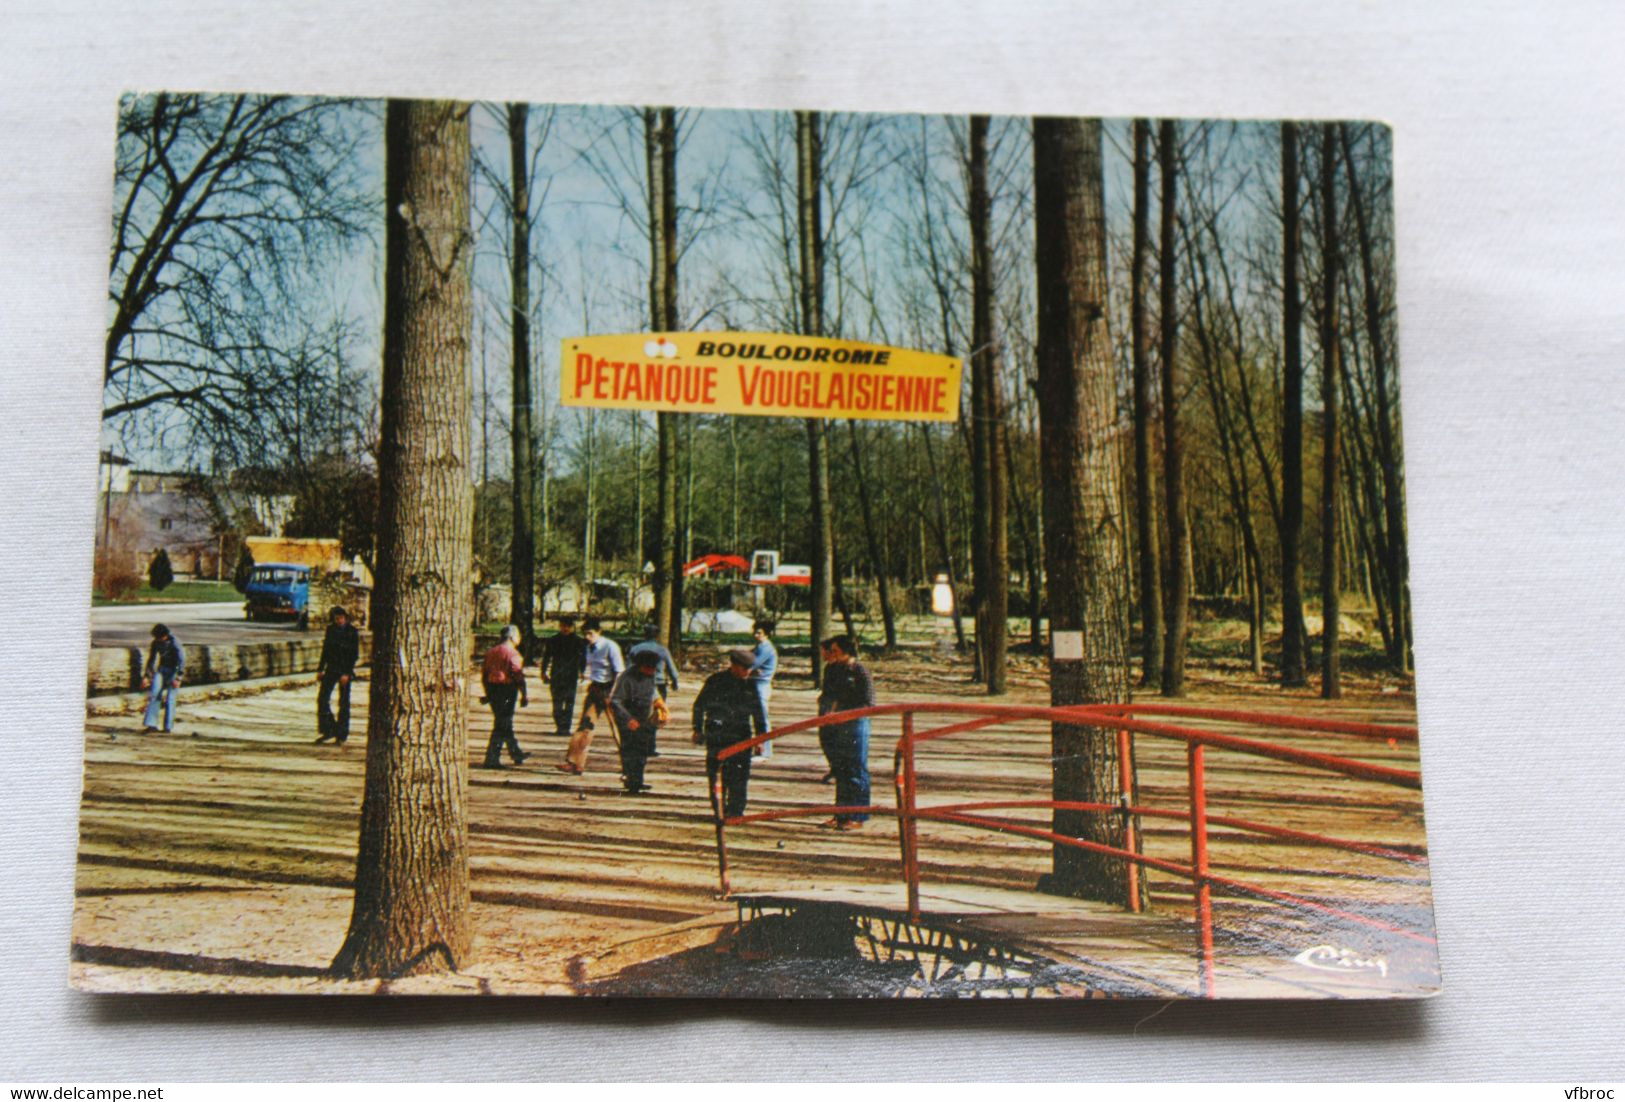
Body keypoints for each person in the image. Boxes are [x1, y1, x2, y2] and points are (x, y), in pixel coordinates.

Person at [692, 647, 769, 819]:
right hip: (717, 735)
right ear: (734, 665)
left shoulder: (751, 685)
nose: (748, 672)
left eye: (750, 669)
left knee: (740, 777)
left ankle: (736, 811)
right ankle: (719, 809)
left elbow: (758, 713)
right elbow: (699, 706)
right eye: (744, 669)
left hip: (741, 736)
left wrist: (760, 738)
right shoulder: (715, 681)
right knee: (716, 775)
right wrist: (697, 729)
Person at [816, 633, 875, 830]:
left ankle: (857, 815)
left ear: (845, 650)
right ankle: (840, 815)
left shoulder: (860, 671)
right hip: (835, 724)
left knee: (856, 769)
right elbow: (827, 695)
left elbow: (868, 702)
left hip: (856, 724)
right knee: (840, 768)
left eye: (835, 650)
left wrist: (845, 713)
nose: (831, 654)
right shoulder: (833, 669)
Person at [558, 618, 624, 775]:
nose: (587, 637)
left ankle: (630, 764)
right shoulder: (588, 648)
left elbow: (620, 672)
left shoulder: (610, 647)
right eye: (585, 634)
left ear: (599, 632)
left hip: (610, 689)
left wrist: (613, 694)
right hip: (595, 689)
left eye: (590, 633)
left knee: (618, 729)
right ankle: (574, 763)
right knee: (585, 726)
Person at [609, 649, 668, 794]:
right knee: (630, 750)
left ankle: (638, 780)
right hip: (628, 718)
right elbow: (615, 701)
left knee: (642, 750)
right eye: (649, 668)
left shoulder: (650, 676)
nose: (652, 671)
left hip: (645, 718)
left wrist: (660, 704)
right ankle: (631, 781)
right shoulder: (626, 678)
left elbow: (653, 692)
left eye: (654, 668)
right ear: (641, 666)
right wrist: (628, 719)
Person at [480, 625, 530, 769]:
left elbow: (484, 674)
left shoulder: (490, 652)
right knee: (502, 724)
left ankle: (516, 753)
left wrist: (487, 694)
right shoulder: (513, 654)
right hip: (507, 690)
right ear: (513, 637)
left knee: (503, 722)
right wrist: (524, 694)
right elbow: (518, 675)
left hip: (492, 688)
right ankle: (491, 758)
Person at [627, 623, 679, 756]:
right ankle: (650, 746)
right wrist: (675, 681)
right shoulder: (662, 650)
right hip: (659, 683)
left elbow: (628, 668)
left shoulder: (635, 649)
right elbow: (672, 668)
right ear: (656, 635)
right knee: (656, 715)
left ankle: (637, 745)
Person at [313, 606, 360, 745]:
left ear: (345, 618)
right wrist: (320, 669)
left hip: (345, 669)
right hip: (331, 668)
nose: (339, 620)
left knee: (344, 703)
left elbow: (354, 654)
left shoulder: (352, 632)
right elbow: (325, 650)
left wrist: (347, 672)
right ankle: (329, 729)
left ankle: (342, 734)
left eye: (341, 618)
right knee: (322, 699)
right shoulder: (331, 630)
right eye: (336, 618)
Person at [538, 615, 589, 737]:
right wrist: (543, 671)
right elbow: (546, 657)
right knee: (557, 702)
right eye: (563, 626)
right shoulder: (553, 640)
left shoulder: (579, 641)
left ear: (572, 627)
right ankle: (560, 725)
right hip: (556, 674)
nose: (565, 628)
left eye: (568, 626)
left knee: (569, 702)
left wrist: (582, 671)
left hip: (571, 675)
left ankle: (566, 727)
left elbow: (583, 658)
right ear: (560, 627)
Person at [141, 623, 185, 733]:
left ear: (165, 635)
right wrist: (147, 675)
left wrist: (178, 677)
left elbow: (181, 660)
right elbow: (152, 659)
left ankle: (168, 727)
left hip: (173, 671)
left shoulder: (174, 642)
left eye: (160, 637)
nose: (158, 640)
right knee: (154, 694)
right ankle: (151, 724)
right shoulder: (156, 643)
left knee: (170, 698)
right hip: (162, 669)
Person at [748, 619, 778, 759]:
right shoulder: (758, 647)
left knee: (762, 719)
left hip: (762, 685)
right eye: (754, 631)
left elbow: (751, 664)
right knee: (757, 718)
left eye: (759, 632)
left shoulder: (765, 648)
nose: (755, 635)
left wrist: (752, 670)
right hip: (754, 683)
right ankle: (759, 748)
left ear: (766, 634)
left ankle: (765, 751)